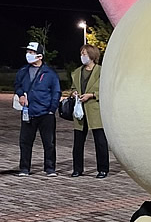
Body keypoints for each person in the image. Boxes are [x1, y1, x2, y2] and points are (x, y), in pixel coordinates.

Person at [14, 41, 61, 176]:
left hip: (46, 113)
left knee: (49, 142)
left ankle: (50, 168)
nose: (28, 55)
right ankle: (24, 168)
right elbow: (17, 85)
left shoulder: (49, 73)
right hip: (28, 112)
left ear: (40, 56)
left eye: (31, 52)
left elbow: (56, 91)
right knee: (25, 142)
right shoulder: (23, 71)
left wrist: (52, 109)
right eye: (27, 52)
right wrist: (20, 95)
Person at [70, 44, 109, 178]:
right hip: (80, 111)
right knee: (78, 142)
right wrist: (74, 93)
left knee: (100, 141)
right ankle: (77, 169)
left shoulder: (101, 71)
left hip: (94, 110)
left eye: (85, 54)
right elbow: (72, 88)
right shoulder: (77, 72)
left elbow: (106, 89)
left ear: (92, 55)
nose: (82, 56)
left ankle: (103, 169)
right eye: (81, 53)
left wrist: (92, 95)